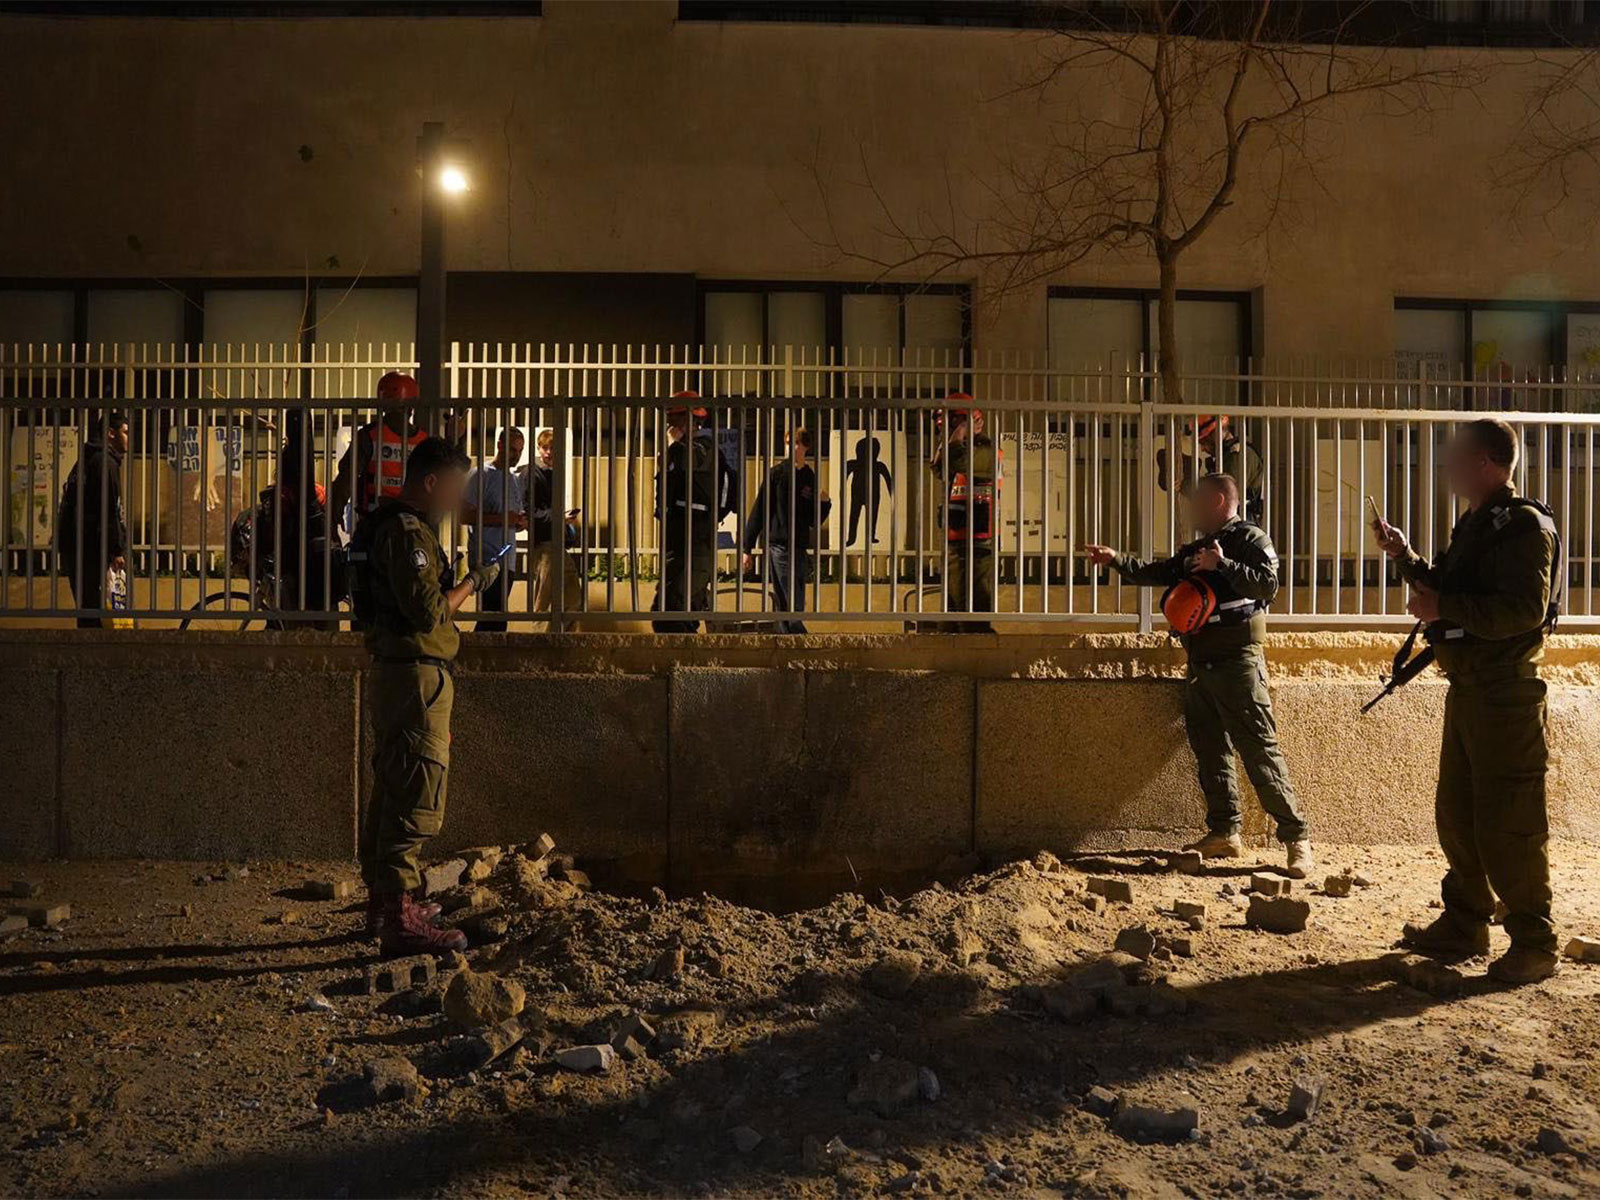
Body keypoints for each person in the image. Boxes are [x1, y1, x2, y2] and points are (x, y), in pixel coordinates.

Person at [1372, 418, 1561, 985]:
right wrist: (1404, 556)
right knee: (1457, 814)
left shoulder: (1523, 525)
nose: (1447, 464)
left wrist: (1445, 608)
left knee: (1509, 822)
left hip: (1506, 694)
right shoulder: (1479, 523)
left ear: (1484, 463)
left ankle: (1535, 942)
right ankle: (1464, 923)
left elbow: (1523, 611)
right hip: (1472, 689)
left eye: (1457, 455)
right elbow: (1450, 591)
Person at [1085, 473, 1314, 878]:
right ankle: (1225, 832)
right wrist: (1116, 560)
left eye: (1198, 501)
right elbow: (1161, 572)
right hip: (1200, 660)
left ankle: (1296, 839)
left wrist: (1220, 564)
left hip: (1237, 659)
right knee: (1210, 748)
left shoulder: (1250, 539)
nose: (1190, 510)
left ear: (1219, 500)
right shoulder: (1196, 547)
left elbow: (1269, 585)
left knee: (1258, 748)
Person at [349, 435, 499, 956]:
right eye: (455, 487)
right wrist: (475, 583)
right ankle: (398, 917)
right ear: (432, 482)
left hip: (403, 673)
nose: (458, 499)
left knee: (395, 782)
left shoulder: (391, 524)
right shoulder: (407, 532)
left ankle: (390, 898)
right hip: (414, 676)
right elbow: (430, 612)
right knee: (416, 789)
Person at [741, 427, 830, 634]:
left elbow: (812, 520)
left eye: (797, 443)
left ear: (806, 447)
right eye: (789, 443)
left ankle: (785, 638)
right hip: (778, 542)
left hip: (798, 543)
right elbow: (759, 509)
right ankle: (797, 633)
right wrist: (747, 547)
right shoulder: (777, 474)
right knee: (789, 590)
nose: (792, 448)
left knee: (793, 589)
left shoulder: (809, 476)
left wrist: (825, 504)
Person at [929, 395, 996, 633]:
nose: (947, 429)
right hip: (955, 534)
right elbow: (939, 467)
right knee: (952, 603)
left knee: (974, 606)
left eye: (953, 422)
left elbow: (959, 462)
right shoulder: (956, 447)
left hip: (978, 539)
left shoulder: (986, 450)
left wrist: (959, 432)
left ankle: (977, 642)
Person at [56, 410, 129, 628]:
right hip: (90, 548)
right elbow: (109, 509)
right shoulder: (104, 463)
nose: (128, 438)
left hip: (77, 545)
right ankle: (95, 656)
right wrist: (116, 549)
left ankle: (89, 652)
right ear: (110, 434)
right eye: (125, 432)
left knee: (88, 607)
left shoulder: (88, 459)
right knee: (97, 609)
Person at [651, 393, 718, 633]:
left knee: (674, 611)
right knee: (670, 609)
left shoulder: (702, 448)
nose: (672, 426)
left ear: (690, 420)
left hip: (695, 536)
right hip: (679, 537)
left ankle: (684, 665)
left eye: (676, 419)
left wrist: (672, 445)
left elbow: (685, 464)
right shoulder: (683, 449)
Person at [330, 371, 428, 530]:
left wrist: (333, 518)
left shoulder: (369, 436)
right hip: (415, 523)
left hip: (374, 521)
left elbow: (345, 480)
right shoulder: (424, 439)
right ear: (413, 404)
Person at [460, 427, 528, 633]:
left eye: (520, 451)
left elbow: (512, 516)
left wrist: (519, 523)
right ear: (500, 445)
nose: (516, 456)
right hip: (486, 557)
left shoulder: (513, 479)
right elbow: (463, 515)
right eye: (513, 450)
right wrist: (502, 519)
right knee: (493, 618)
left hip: (507, 559)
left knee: (497, 618)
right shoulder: (480, 475)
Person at [523, 427, 585, 628]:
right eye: (545, 448)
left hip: (556, 543)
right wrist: (559, 517)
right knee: (545, 598)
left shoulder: (552, 474)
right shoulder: (532, 473)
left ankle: (562, 642)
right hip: (544, 544)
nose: (549, 453)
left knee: (571, 595)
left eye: (553, 448)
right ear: (538, 449)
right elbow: (529, 512)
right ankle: (541, 642)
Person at [844, 434, 893, 546]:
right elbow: (889, 482)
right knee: (857, 516)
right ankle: (853, 538)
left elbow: (889, 482)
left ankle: (868, 536)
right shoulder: (874, 465)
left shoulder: (876, 465)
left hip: (869, 494)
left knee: (866, 516)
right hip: (864, 494)